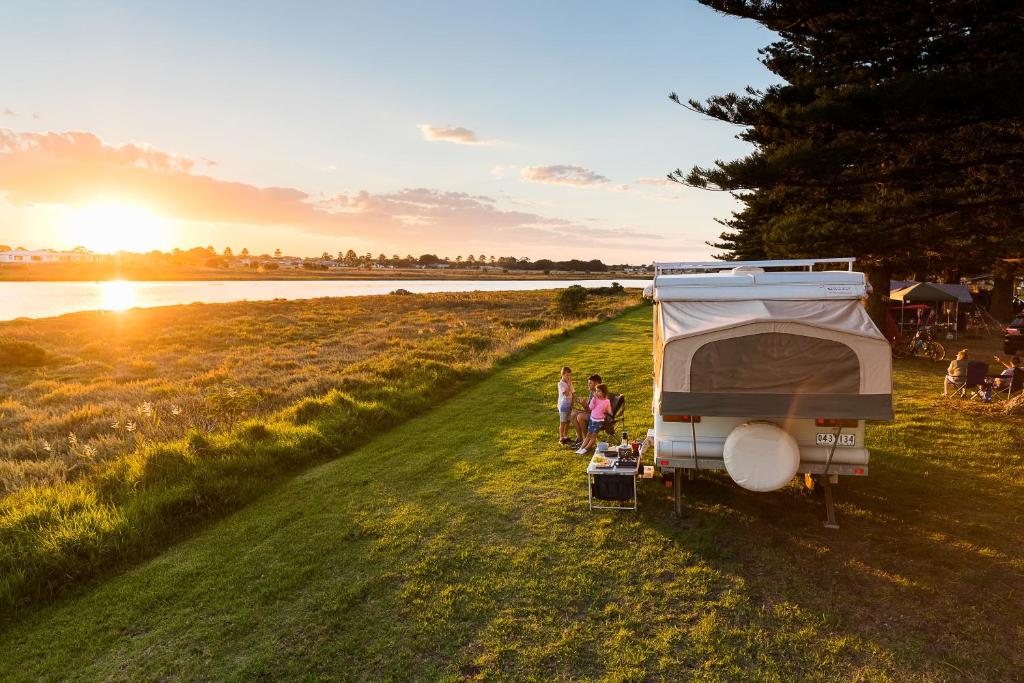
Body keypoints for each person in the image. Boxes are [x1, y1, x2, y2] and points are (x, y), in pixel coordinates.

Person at [575, 383, 613, 455]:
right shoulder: (595, 399)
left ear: (603, 392)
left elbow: (609, 411)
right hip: (592, 419)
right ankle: (581, 448)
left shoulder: (606, 401)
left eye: (598, 391)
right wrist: (593, 400)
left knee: (593, 436)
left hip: (599, 421)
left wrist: (607, 414)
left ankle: (585, 449)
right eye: (596, 391)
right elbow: (590, 408)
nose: (596, 393)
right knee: (588, 434)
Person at [569, 374, 601, 447]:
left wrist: (585, 404)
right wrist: (583, 404)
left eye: (590, 383)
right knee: (573, 414)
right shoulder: (592, 392)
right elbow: (588, 409)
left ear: (596, 384)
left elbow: (593, 411)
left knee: (580, 416)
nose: (588, 385)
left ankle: (586, 439)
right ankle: (580, 438)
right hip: (591, 413)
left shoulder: (599, 394)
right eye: (588, 383)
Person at [557, 366, 575, 444]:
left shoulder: (570, 383)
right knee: (563, 422)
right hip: (563, 406)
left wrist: (572, 404)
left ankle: (565, 436)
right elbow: (567, 393)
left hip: (569, 404)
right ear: (562, 374)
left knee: (567, 422)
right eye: (567, 375)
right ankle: (561, 438)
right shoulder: (560, 384)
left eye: (569, 375)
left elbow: (573, 393)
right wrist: (568, 384)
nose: (568, 377)